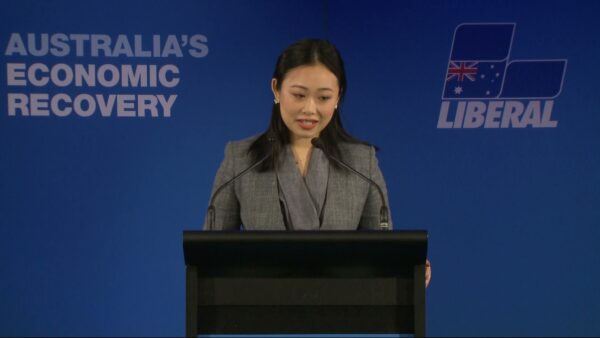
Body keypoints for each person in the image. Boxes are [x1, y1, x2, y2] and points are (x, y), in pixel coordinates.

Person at [204, 39, 431, 285]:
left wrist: (407, 265)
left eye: (323, 98)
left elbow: (383, 252)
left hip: (343, 312)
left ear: (338, 97)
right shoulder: (241, 158)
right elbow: (211, 252)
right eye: (299, 95)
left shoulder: (361, 161)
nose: (310, 109)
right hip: (260, 312)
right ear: (276, 89)